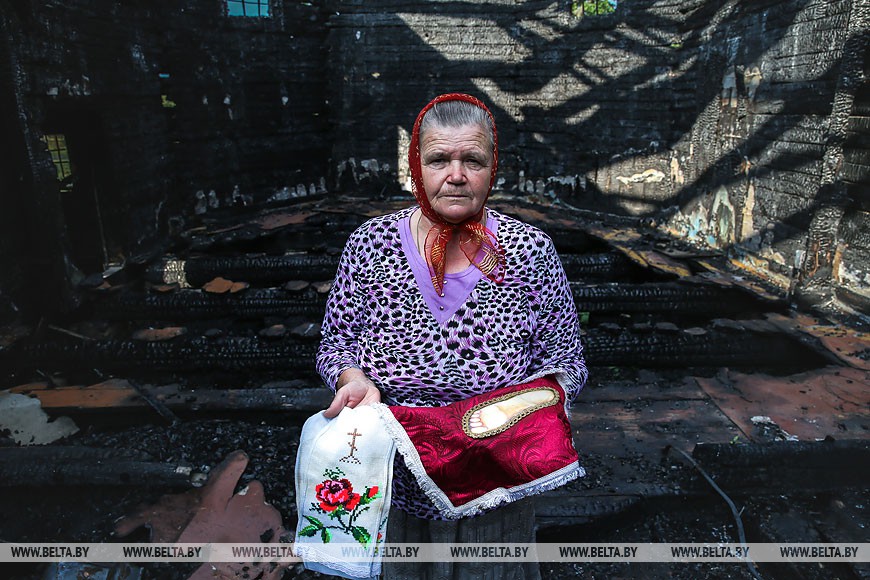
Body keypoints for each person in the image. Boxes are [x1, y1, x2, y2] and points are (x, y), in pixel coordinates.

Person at [316, 93, 587, 579]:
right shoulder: (371, 244)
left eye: (473, 160)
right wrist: (351, 378)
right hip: (397, 474)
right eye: (439, 159)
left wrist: (530, 415)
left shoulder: (529, 251)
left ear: (493, 168)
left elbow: (564, 360)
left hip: (495, 477)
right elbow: (338, 340)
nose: (456, 174)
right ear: (416, 168)